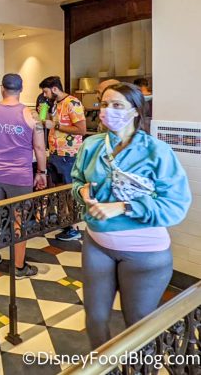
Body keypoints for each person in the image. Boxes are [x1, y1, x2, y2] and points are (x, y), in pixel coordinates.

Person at [71, 83, 190, 348]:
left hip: (145, 252)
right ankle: (104, 364)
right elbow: (76, 180)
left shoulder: (156, 151)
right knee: (95, 318)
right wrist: (82, 191)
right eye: (104, 104)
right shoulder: (91, 146)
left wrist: (124, 206)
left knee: (138, 324)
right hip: (97, 244)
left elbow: (176, 205)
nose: (108, 111)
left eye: (117, 106)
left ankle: (140, 365)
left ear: (135, 111)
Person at [0, 74, 47, 279]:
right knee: (19, 218)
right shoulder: (31, 115)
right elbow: (39, 148)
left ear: (2, 88)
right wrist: (41, 172)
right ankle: (18, 267)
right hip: (19, 174)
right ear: (21, 89)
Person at [39, 76, 87, 241]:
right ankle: (65, 223)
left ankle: (74, 227)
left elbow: (81, 129)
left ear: (54, 89)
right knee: (60, 190)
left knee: (69, 192)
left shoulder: (72, 103)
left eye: (45, 91)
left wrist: (56, 125)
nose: (44, 95)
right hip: (55, 153)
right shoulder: (55, 104)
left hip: (69, 155)